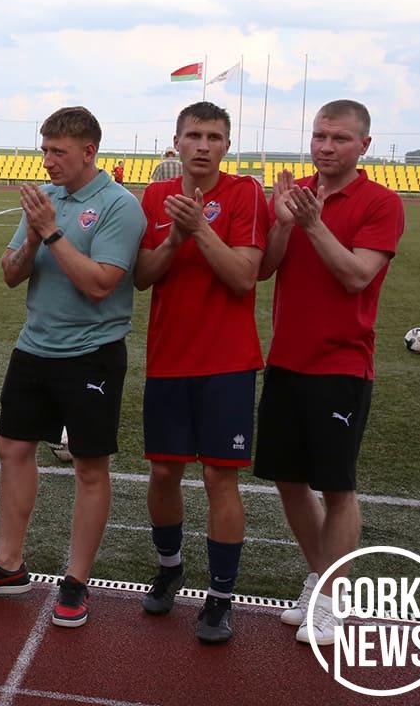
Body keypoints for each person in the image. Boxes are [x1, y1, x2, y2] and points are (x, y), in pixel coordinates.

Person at [0, 107, 144, 631]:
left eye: (59, 151)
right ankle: (8, 564)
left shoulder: (119, 206)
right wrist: (35, 236)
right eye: (45, 150)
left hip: (92, 352)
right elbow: (11, 273)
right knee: (12, 447)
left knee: (89, 465)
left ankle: (76, 581)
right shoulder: (44, 198)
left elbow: (100, 284)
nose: (48, 160)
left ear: (89, 151)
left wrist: (52, 232)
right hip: (34, 346)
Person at [255, 100, 404, 646]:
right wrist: (282, 224)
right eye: (319, 136)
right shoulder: (294, 196)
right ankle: (322, 582)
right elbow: (266, 269)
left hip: (342, 364)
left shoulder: (381, 203)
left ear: (364, 145)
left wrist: (313, 225)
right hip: (286, 360)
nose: (325, 146)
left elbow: (356, 276)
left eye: (339, 138)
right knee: (288, 480)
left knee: (337, 487)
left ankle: (333, 600)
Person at [133, 102, 268, 644]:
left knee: (219, 477)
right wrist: (173, 239)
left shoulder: (245, 193)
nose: (204, 145)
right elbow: (142, 277)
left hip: (227, 362)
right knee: (164, 473)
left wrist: (198, 230)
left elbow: (244, 276)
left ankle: (220, 596)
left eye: (214, 137)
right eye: (194, 135)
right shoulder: (154, 197)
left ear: (227, 145)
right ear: (177, 141)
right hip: (169, 357)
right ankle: (170, 568)